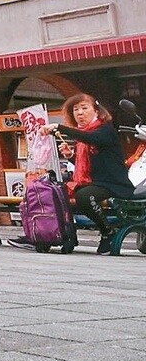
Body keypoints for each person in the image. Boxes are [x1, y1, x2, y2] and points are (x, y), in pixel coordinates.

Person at [45, 95, 136, 254]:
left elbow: (91, 139)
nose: (80, 113)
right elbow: (91, 163)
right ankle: (65, 236)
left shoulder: (105, 130)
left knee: (84, 196)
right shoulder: (83, 135)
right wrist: (70, 156)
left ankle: (108, 232)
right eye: (75, 110)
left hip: (113, 183)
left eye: (84, 108)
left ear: (96, 111)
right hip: (95, 182)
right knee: (58, 194)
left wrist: (60, 128)